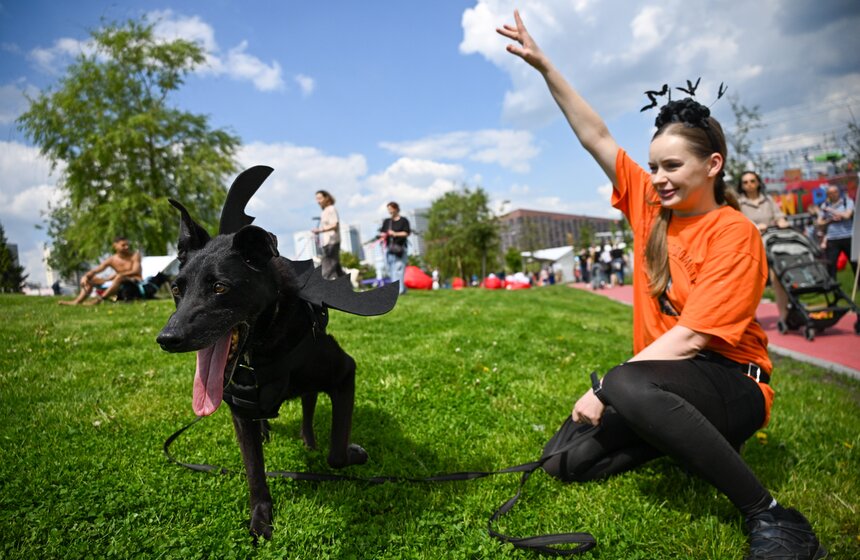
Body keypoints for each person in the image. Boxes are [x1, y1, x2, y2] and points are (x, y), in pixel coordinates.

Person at [498, 10, 825, 560]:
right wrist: (544, 66)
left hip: (734, 384)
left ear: (713, 164)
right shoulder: (653, 207)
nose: (658, 177)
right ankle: (679, 438)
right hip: (670, 383)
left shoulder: (736, 232)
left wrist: (605, 389)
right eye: (653, 166)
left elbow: (695, 338)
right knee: (562, 462)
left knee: (622, 384)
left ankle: (772, 517)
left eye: (672, 165)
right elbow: (595, 135)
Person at [736, 171, 792, 322]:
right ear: (741, 186)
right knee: (751, 283)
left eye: (752, 181)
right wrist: (754, 226)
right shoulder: (739, 203)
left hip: (771, 244)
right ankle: (751, 317)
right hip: (751, 246)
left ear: (758, 182)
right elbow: (737, 223)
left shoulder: (768, 200)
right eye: (745, 182)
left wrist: (781, 221)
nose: (749, 184)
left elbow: (778, 215)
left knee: (778, 279)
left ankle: (783, 316)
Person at [59, 236, 142, 305]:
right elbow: (96, 270)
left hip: (135, 281)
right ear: (115, 245)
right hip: (118, 280)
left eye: (127, 245)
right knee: (91, 279)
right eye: (123, 245)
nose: (127, 247)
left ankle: (99, 300)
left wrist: (117, 276)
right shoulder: (112, 259)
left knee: (119, 276)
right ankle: (77, 301)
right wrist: (85, 276)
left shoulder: (135, 256)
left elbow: (135, 271)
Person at [817, 184, 856, 280]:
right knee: (831, 263)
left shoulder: (847, 202)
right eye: (830, 193)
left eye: (835, 192)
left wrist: (832, 211)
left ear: (838, 192)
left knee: (855, 262)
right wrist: (829, 220)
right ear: (827, 195)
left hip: (848, 235)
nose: (833, 195)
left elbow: (847, 215)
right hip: (832, 238)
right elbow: (819, 222)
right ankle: (834, 287)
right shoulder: (824, 205)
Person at [311, 190, 345, 280]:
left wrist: (320, 230)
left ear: (326, 198)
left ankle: (326, 289)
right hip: (327, 243)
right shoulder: (324, 212)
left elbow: (334, 225)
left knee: (327, 269)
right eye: (317, 199)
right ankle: (346, 286)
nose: (318, 201)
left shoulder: (331, 209)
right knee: (337, 269)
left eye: (320, 198)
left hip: (332, 242)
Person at [379, 201, 410, 295]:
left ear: (396, 209)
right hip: (389, 249)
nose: (390, 212)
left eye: (391, 209)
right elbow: (382, 233)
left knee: (399, 269)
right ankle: (401, 289)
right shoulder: (387, 222)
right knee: (390, 269)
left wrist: (395, 233)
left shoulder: (403, 220)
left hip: (400, 248)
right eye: (388, 210)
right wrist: (383, 235)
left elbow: (406, 233)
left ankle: (399, 291)